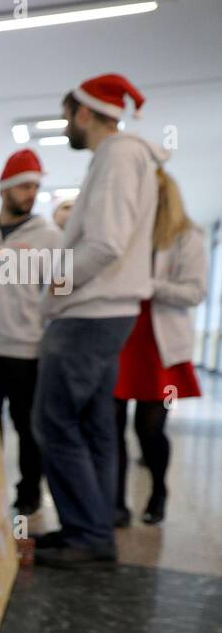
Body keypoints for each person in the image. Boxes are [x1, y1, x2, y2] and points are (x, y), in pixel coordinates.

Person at [32, 73, 160, 569]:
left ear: (85, 112)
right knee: (93, 427)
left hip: (88, 315)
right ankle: (90, 527)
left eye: (67, 116)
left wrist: (54, 291)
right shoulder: (124, 158)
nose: (67, 126)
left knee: (53, 422)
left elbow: (103, 245)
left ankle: (87, 534)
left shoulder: (118, 155)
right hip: (107, 313)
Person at [113, 170, 206, 526]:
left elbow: (195, 292)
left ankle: (158, 492)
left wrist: (149, 285)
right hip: (122, 341)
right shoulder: (125, 233)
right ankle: (115, 504)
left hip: (161, 351)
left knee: (149, 429)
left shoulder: (187, 237)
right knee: (111, 426)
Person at [0, 149, 63, 516]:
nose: (31, 193)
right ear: (4, 188)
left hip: (27, 349)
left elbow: (62, 289)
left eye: (35, 187)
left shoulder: (51, 236)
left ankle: (28, 495)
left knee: (29, 429)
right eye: (24, 186)